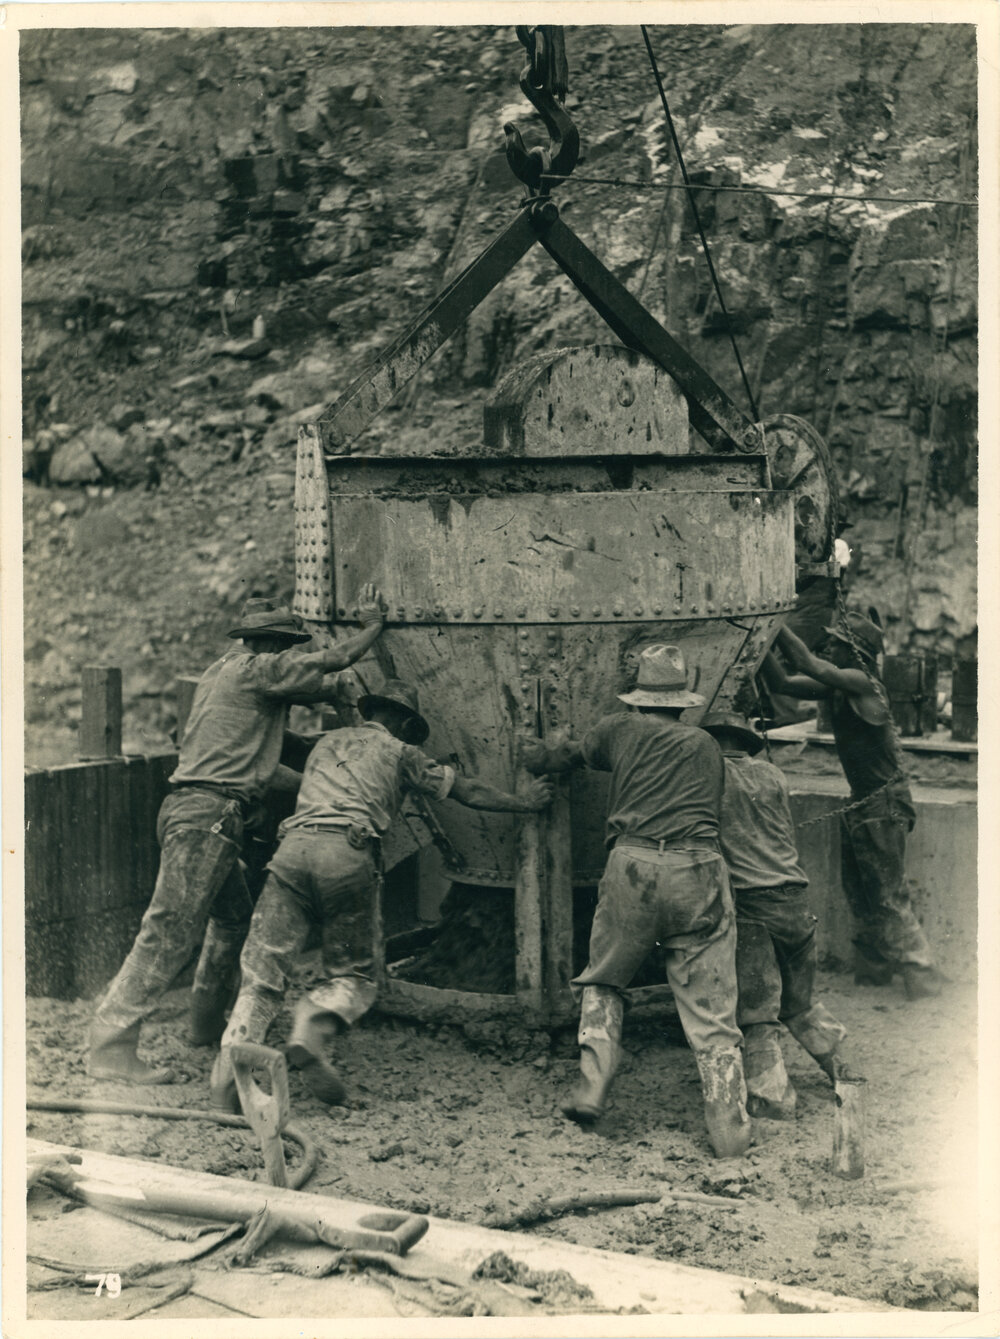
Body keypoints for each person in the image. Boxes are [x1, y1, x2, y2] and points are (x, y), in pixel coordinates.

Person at [87, 588, 387, 1084]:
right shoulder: (256, 671)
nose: (292, 658)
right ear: (273, 647)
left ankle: (205, 1024)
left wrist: (331, 749)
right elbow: (331, 661)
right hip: (210, 818)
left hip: (198, 812)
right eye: (290, 649)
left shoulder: (223, 678)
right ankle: (111, 1046)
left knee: (231, 919)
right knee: (167, 932)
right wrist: (373, 628)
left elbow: (274, 754)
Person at [210, 679, 553, 1111]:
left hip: (292, 851)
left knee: (261, 974)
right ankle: (310, 1027)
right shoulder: (402, 752)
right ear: (406, 723)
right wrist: (525, 802)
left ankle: (228, 1076)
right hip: (347, 854)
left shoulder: (327, 742)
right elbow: (468, 791)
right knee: (353, 976)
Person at [522, 644, 751, 1159]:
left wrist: (531, 749)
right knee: (713, 1012)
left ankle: (592, 1088)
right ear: (683, 700)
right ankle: (730, 1131)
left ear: (637, 697)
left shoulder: (616, 729)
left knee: (605, 978)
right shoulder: (706, 745)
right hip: (700, 870)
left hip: (635, 867)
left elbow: (561, 758)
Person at [762, 615, 940, 1000]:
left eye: (836, 643)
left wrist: (772, 624)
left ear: (854, 652)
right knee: (860, 893)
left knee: (888, 895)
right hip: (864, 801)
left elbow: (810, 664)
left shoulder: (864, 683)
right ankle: (874, 972)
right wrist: (758, 647)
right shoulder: (839, 689)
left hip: (883, 803)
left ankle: (921, 976)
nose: (829, 648)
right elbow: (784, 683)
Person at [701, 712, 850, 1119]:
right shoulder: (772, 775)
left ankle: (772, 1100)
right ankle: (847, 1073)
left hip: (752, 905)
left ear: (710, 743)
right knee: (799, 1003)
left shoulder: (709, 777)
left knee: (758, 1012)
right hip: (795, 899)